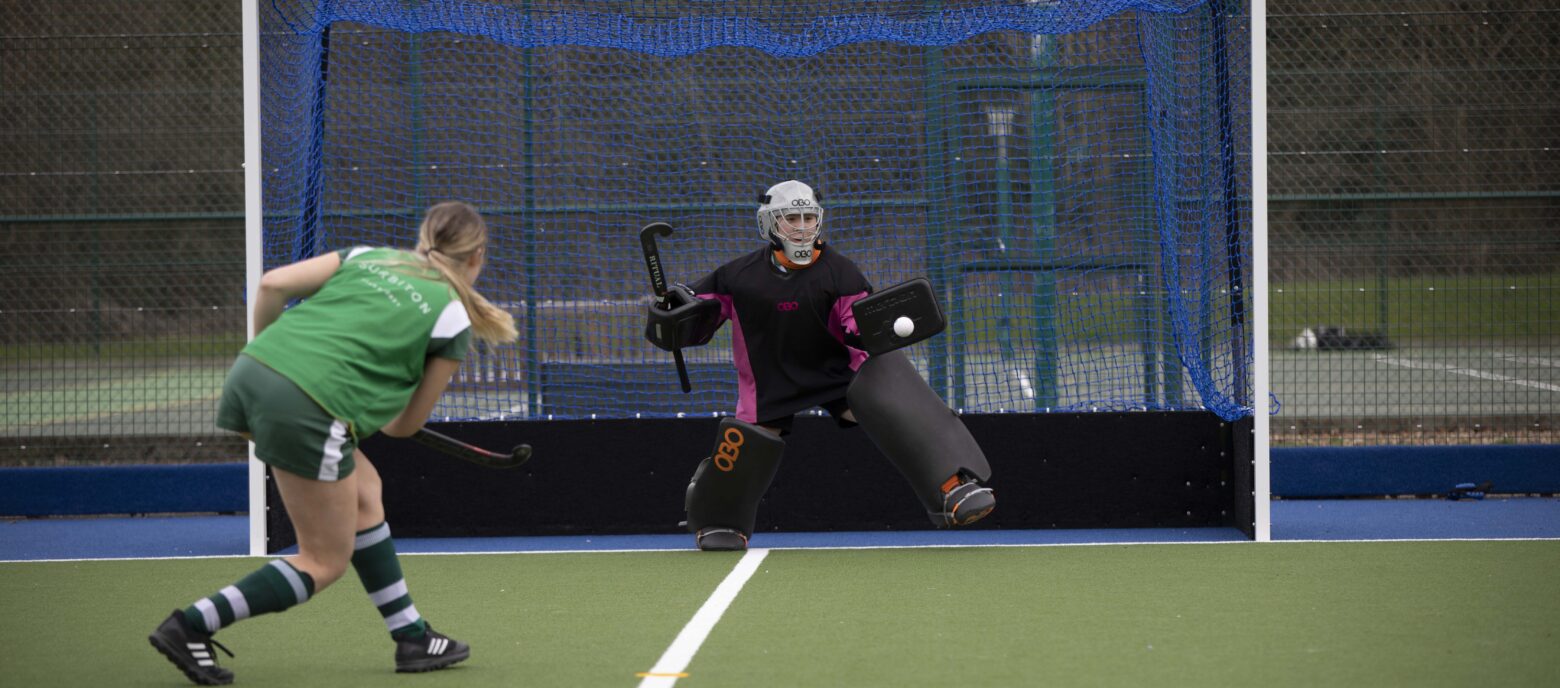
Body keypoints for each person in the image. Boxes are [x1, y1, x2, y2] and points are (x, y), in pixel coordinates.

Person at [148, 201, 516, 685]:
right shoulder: (451, 320)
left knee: (365, 491)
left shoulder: (368, 256)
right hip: (306, 406)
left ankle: (412, 636)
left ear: (423, 237)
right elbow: (401, 427)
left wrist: (272, 355)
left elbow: (273, 284)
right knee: (323, 560)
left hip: (251, 371)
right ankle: (192, 624)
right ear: (477, 256)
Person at [645, 180, 995, 552]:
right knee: (747, 443)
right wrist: (673, 313)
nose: (800, 226)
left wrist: (869, 333)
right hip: (769, 381)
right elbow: (700, 310)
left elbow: (858, 319)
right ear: (769, 224)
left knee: (893, 391)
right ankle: (717, 519)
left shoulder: (841, 272)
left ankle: (952, 487)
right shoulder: (737, 276)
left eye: (808, 217)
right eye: (790, 218)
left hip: (838, 376)